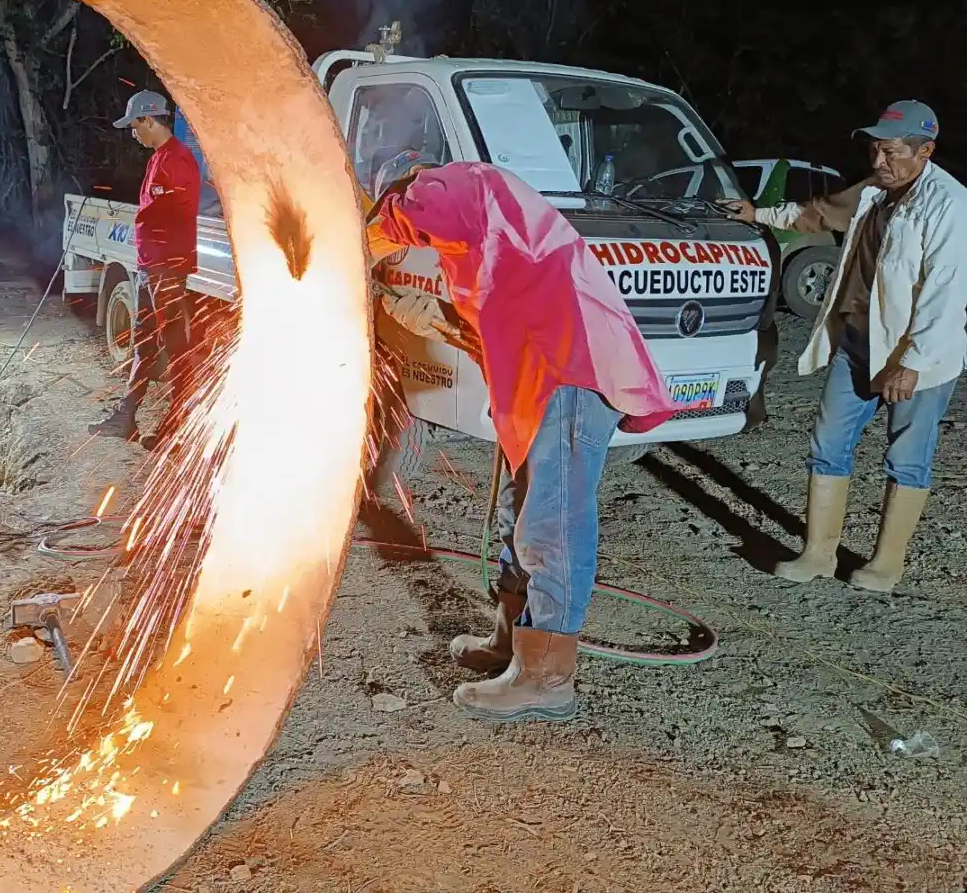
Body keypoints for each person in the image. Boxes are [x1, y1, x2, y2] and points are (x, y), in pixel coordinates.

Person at [366, 161, 676, 723]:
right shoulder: (484, 235)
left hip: (572, 371)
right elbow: (500, 324)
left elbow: (418, 212)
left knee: (549, 526)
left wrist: (354, 247)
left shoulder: (457, 184)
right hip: (544, 376)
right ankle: (513, 643)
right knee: (518, 513)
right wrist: (438, 320)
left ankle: (546, 677)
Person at [725, 101, 967, 591]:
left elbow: (947, 289)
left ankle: (886, 564)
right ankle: (817, 554)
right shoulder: (876, 189)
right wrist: (757, 213)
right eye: (876, 150)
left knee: (907, 457)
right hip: (857, 344)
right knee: (828, 445)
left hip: (914, 356)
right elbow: (819, 213)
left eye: (892, 152)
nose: (880, 161)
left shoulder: (948, 203)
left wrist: (912, 363)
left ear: (926, 151)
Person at [91, 91, 203, 445]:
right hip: (151, 266)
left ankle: (179, 426)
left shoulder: (178, 160)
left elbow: (182, 209)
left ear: (149, 120)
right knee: (145, 343)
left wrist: (150, 213)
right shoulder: (159, 158)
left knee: (174, 344)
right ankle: (126, 416)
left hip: (167, 267)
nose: (132, 133)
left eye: (134, 126)